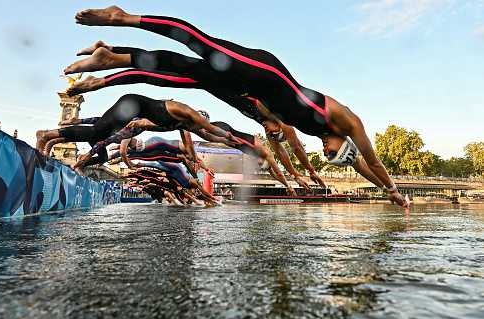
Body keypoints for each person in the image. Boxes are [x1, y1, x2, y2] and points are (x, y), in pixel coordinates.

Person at [65, 6, 407, 207]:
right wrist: (390, 186)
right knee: (200, 43)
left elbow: (357, 166)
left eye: (327, 155)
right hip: (264, 71)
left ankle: (113, 58)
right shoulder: (345, 120)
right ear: (342, 144)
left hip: (245, 88)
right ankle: (122, 17)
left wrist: (389, 192)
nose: (326, 150)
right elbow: (371, 159)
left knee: (186, 72)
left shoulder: (316, 132)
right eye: (332, 152)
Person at [35, 93, 239, 168]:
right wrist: (227, 134)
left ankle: (52, 140)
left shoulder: (183, 125)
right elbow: (208, 129)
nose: (198, 127)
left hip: (129, 110)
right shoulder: (185, 113)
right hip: (131, 104)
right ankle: (47, 136)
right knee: (98, 133)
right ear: (198, 117)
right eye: (199, 122)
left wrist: (229, 142)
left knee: (99, 131)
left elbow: (205, 135)